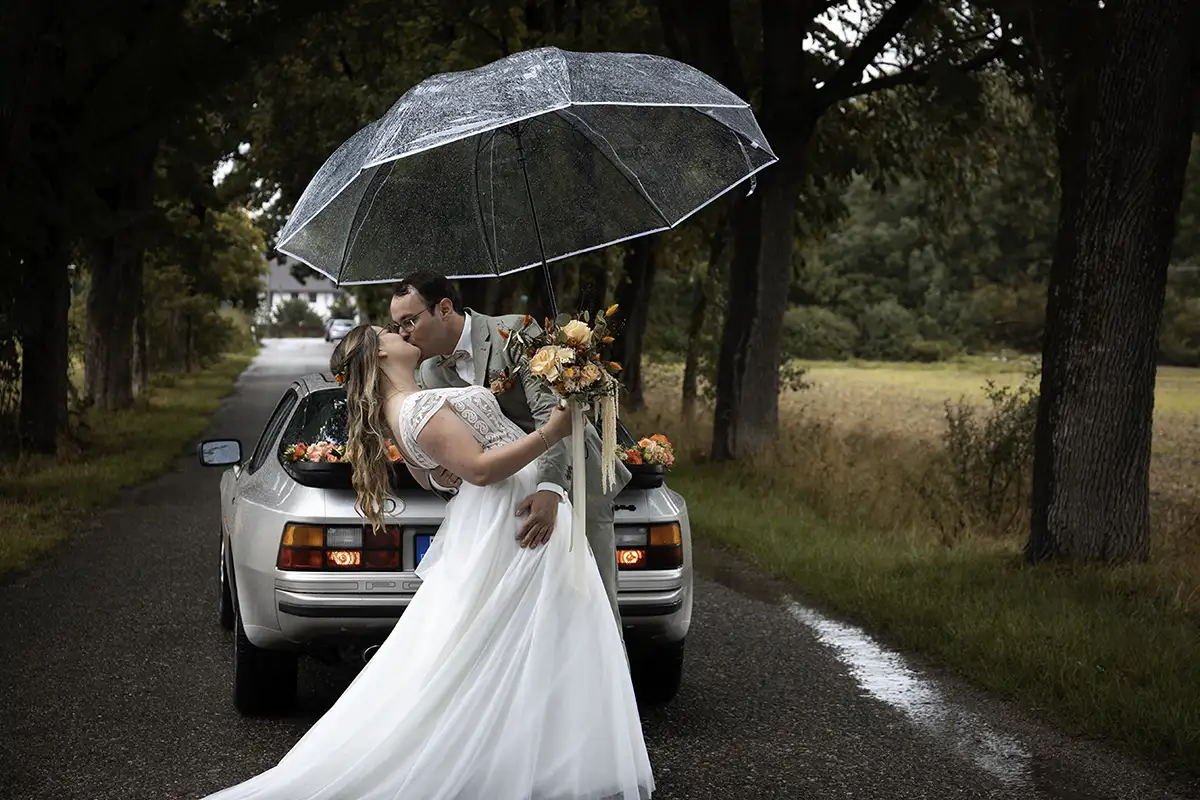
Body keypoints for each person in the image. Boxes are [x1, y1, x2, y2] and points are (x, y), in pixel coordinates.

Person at [202, 324, 653, 800]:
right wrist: (553, 431)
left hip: (508, 511)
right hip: (513, 518)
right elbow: (479, 469)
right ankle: (528, 765)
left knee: (523, 638)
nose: (400, 332)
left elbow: (445, 477)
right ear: (378, 354)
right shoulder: (416, 407)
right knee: (528, 633)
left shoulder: (413, 402)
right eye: (388, 332)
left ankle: (533, 759)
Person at [390, 272, 631, 625]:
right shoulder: (428, 374)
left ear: (443, 309)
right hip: (506, 505)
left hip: (570, 482)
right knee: (519, 621)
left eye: (409, 320)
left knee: (591, 608)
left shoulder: (515, 332)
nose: (403, 333)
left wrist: (550, 489)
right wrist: (446, 477)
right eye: (396, 326)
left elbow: (553, 413)